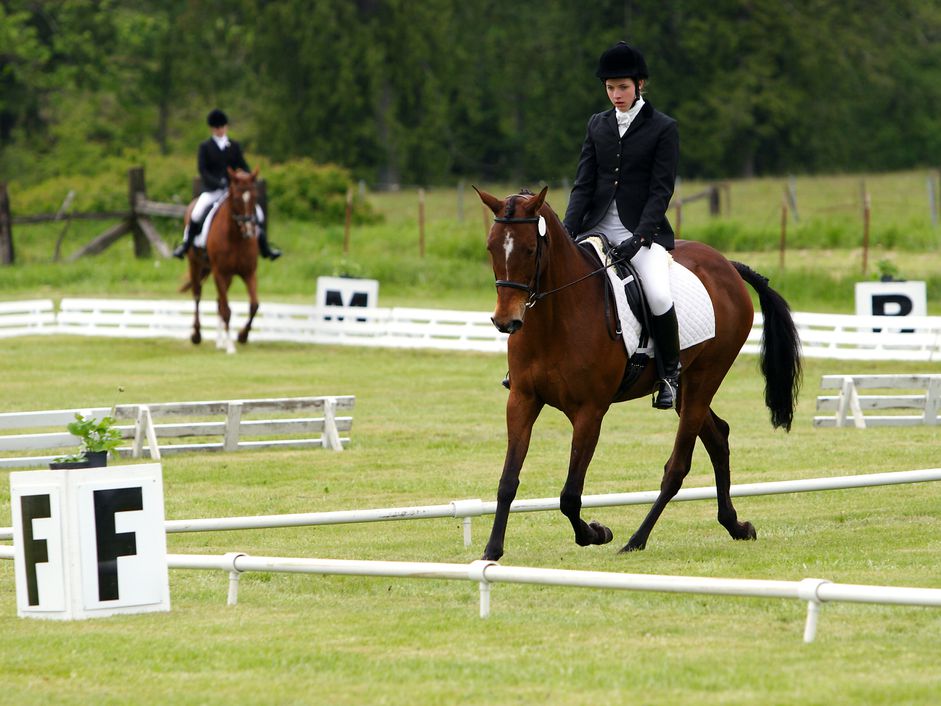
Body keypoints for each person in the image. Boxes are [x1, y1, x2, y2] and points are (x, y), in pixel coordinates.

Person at [562, 41, 681, 410]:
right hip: (594, 229)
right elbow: (583, 184)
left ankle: (669, 374)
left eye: (623, 87)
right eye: (610, 88)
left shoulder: (663, 128)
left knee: (659, 295)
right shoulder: (597, 125)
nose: (616, 95)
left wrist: (642, 236)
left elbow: (661, 190)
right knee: (551, 277)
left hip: (639, 233)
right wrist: (568, 232)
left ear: (640, 85)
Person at [173, 108, 281, 260]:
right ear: (212, 129)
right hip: (213, 190)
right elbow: (203, 171)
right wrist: (218, 182)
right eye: (217, 128)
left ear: (226, 127)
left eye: (222, 127)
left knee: (259, 214)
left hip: (235, 190)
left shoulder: (234, 146)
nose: (220, 130)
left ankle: (265, 247)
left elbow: (243, 166)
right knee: (197, 212)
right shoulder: (205, 147)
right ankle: (186, 245)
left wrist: (246, 179)